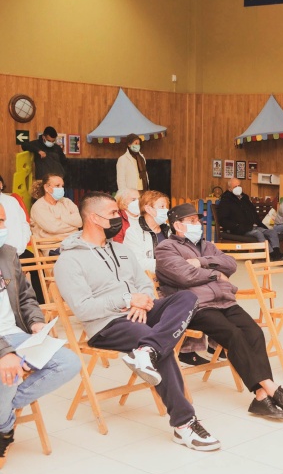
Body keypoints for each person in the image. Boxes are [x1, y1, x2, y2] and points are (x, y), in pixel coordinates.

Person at [54, 192, 220, 451]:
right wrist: (127, 299)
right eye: (112, 214)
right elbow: (83, 309)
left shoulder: (121, 250)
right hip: (106, 324)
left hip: (139, 311)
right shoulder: (68, 260)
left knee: (186, 298)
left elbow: (143, 284)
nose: (118, 218)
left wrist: (143, 301)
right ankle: (184, 424)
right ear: (94, 218)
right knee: (159, 346)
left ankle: (148, 349)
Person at [155, 203, 283, 420]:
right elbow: (185, 276)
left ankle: (261, 396)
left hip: (223, 301)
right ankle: (271, 387)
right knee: (233, 335)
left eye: (198, 220)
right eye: (192, 221)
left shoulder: (207, 246)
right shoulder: (166, 248)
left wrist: (201, 262)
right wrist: (215, 274)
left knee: (254, 332)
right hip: (196, 306)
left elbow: (230, 264)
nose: (198, 224)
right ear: (177, 225)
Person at [0, 203, 81, 469]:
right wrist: (4, 353)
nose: (3, 228)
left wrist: (35, 323)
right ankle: (4, 430)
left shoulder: (7, 254)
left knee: (69, 363)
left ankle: (4, 413)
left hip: (16, 334)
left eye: (3, 221)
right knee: (7, 374)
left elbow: (26, 296)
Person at [216, 178, 282, 259]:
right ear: (229, 189)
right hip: (239, 229)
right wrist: (237, 226)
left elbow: (253, 213)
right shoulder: (226, 201)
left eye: (239, 185)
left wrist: (258, 223)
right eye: (235, 186)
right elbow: (223, 220)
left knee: (272, 232)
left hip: (252, 226)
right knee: (258, 233)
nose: (238, 188)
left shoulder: (245, 198)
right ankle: (271, 254)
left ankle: (277, 252)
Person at [0, 176, 41, 302]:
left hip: (18, 249)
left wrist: (22, 244)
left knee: (37, 266)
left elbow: (24, 223)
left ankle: (42, 303)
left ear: (1, 184)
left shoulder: (12, 201)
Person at [124, 190, 170, 274]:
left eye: (167, 207)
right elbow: (136, 262)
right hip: (149, 279)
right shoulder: (133, 232)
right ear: (148, 209)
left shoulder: (169, 229)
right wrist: (169, 263)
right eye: (162, 206)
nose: (166, 210)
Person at [30, 173, 82, 241]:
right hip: (50, 244)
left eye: (62, 186)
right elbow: (53, 228)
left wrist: (62, 218)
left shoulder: (67, 202)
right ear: (46, 187)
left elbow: (80, 221)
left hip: (73, 241)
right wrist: (74, 227)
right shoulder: (39, 206)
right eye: (57, 186)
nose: (61, 188)